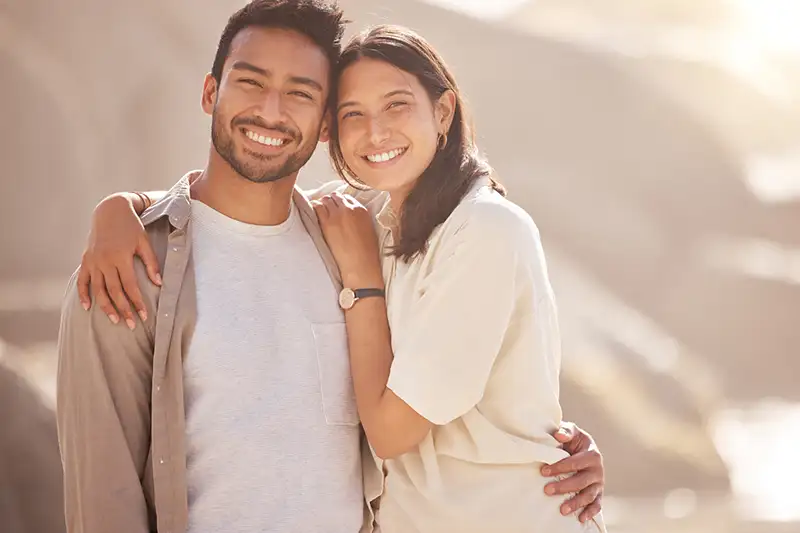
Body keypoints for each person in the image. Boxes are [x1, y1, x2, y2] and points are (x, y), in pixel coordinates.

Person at [59, 2, 604, 533]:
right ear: (210, 93)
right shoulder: (131, 270)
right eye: (250, 82)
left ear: (321, 126)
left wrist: (545, 443)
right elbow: (103, 491)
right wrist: (119, 207)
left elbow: (436, 398)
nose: (271, 112)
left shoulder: (357, 237)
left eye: (300, 94)